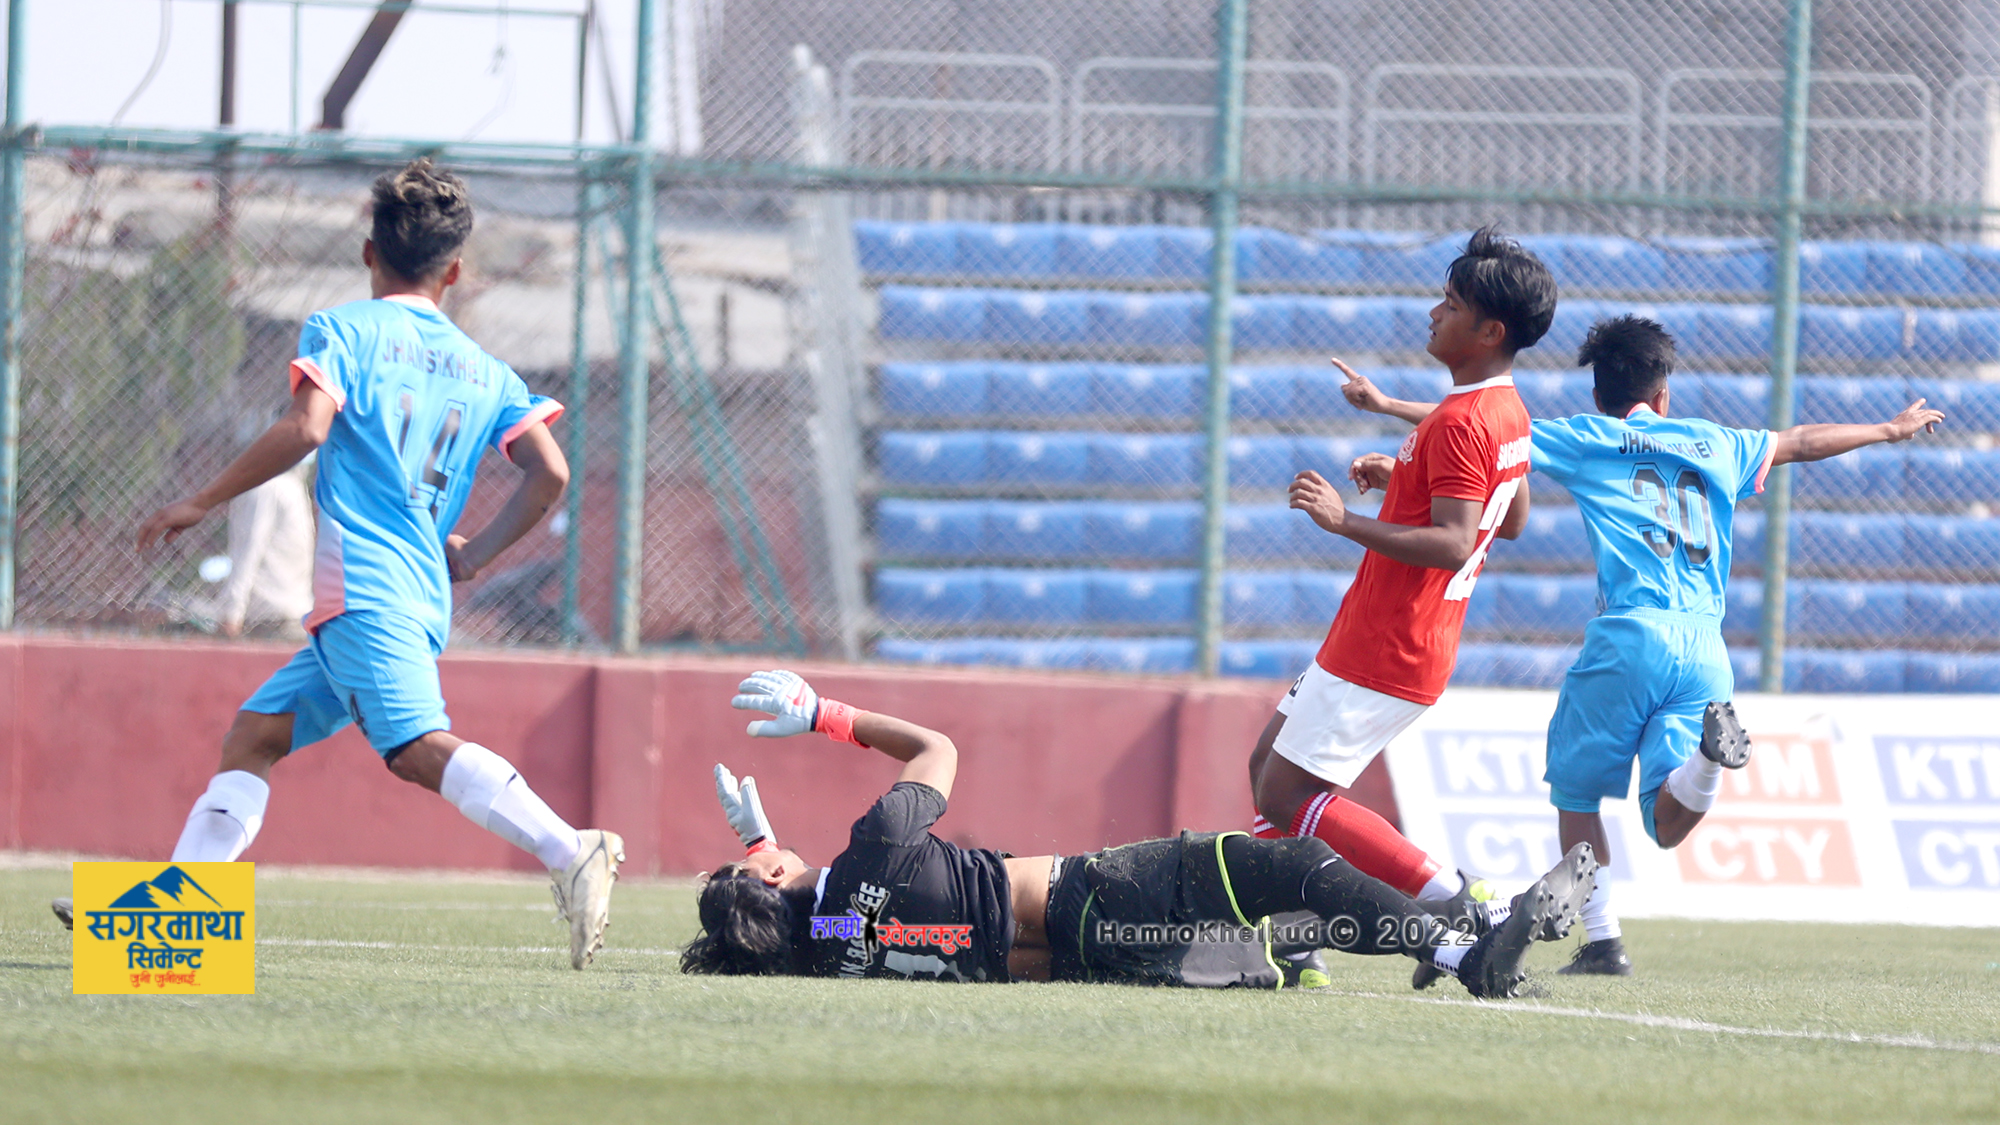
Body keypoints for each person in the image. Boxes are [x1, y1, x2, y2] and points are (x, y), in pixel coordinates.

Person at [52, 159, 623, 969]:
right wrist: (475, 554)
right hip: (407, 595)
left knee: (416, 748)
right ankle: (170, 926)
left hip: (364, 589)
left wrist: (200, 500)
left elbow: (307, 427)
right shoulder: (487, 371)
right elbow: (551, 473)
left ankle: (571, 848)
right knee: (254, 734)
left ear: (368, 252)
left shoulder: (344, 330)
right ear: (455, 271)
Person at [1341, 314, 1945, 978]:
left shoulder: (1590, 437)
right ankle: (1707, 763)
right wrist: (1887, 429)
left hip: (1631, 636)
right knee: (1666, 823)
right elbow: (1801, 440)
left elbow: (1483, 430)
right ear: (1664, 393)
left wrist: (1386, 406)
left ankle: (1604, 942)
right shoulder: (1717, 441)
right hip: (1705, 648)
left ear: (1599, 394)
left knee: (1576, 797)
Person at [682, 670, 1598, 999]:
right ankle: (1462, 949)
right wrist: (826, 714)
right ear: (771, 883)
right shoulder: (874, 848)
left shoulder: (822, 953)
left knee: (1285, 930)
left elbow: (831, 913)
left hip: (1091, 959)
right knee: (1292, 861)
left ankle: (1436, 935)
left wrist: (763, 851)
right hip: (1090, 894)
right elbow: (937, 750)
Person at [1245, 227, 1550, 938]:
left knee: (1284, 794)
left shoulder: (1463, 422)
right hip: (1393, 638)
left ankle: (1465, 901)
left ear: (1490, 331)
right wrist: (1407, 476)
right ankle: (1293, 940)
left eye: (1452, 304)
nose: (1434, 312)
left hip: (1389, 639)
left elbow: (1453, 542)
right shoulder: (1505, 412)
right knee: (1268, 768)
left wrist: (1343, 520)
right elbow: (1508, 519)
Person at [214, 455, 315, 639]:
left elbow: (247, 552)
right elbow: (249, 550)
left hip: (275, 614)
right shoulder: (277, 487)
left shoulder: (272, 487)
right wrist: (232, 610)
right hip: (279, 614)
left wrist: (232, 612)